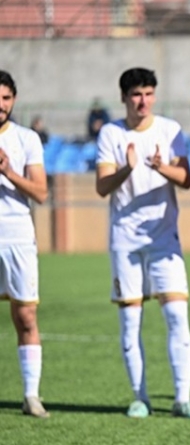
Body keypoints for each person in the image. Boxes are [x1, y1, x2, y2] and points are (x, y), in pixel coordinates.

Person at [95, 67, 190, 420]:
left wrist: (161, 167)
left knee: (176, 315)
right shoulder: (111, 133)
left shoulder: (169, 129)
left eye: (148, 94)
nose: (142, 101)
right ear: (124, 98)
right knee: (130, 321)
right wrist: (127, 169)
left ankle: (182, 400)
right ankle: (140, 397)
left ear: (154, 95)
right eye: (135, 95)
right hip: (125, 241)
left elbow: (186, 178)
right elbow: (101, 186)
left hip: (164, 239)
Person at [0, 70, 50, 419]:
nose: (0, 105)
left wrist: (8, 172)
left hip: (17, 237)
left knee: (26, 316)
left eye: (5, 98)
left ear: (13, 100)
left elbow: (41, 192)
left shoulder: (26, 139)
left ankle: (31, 395)